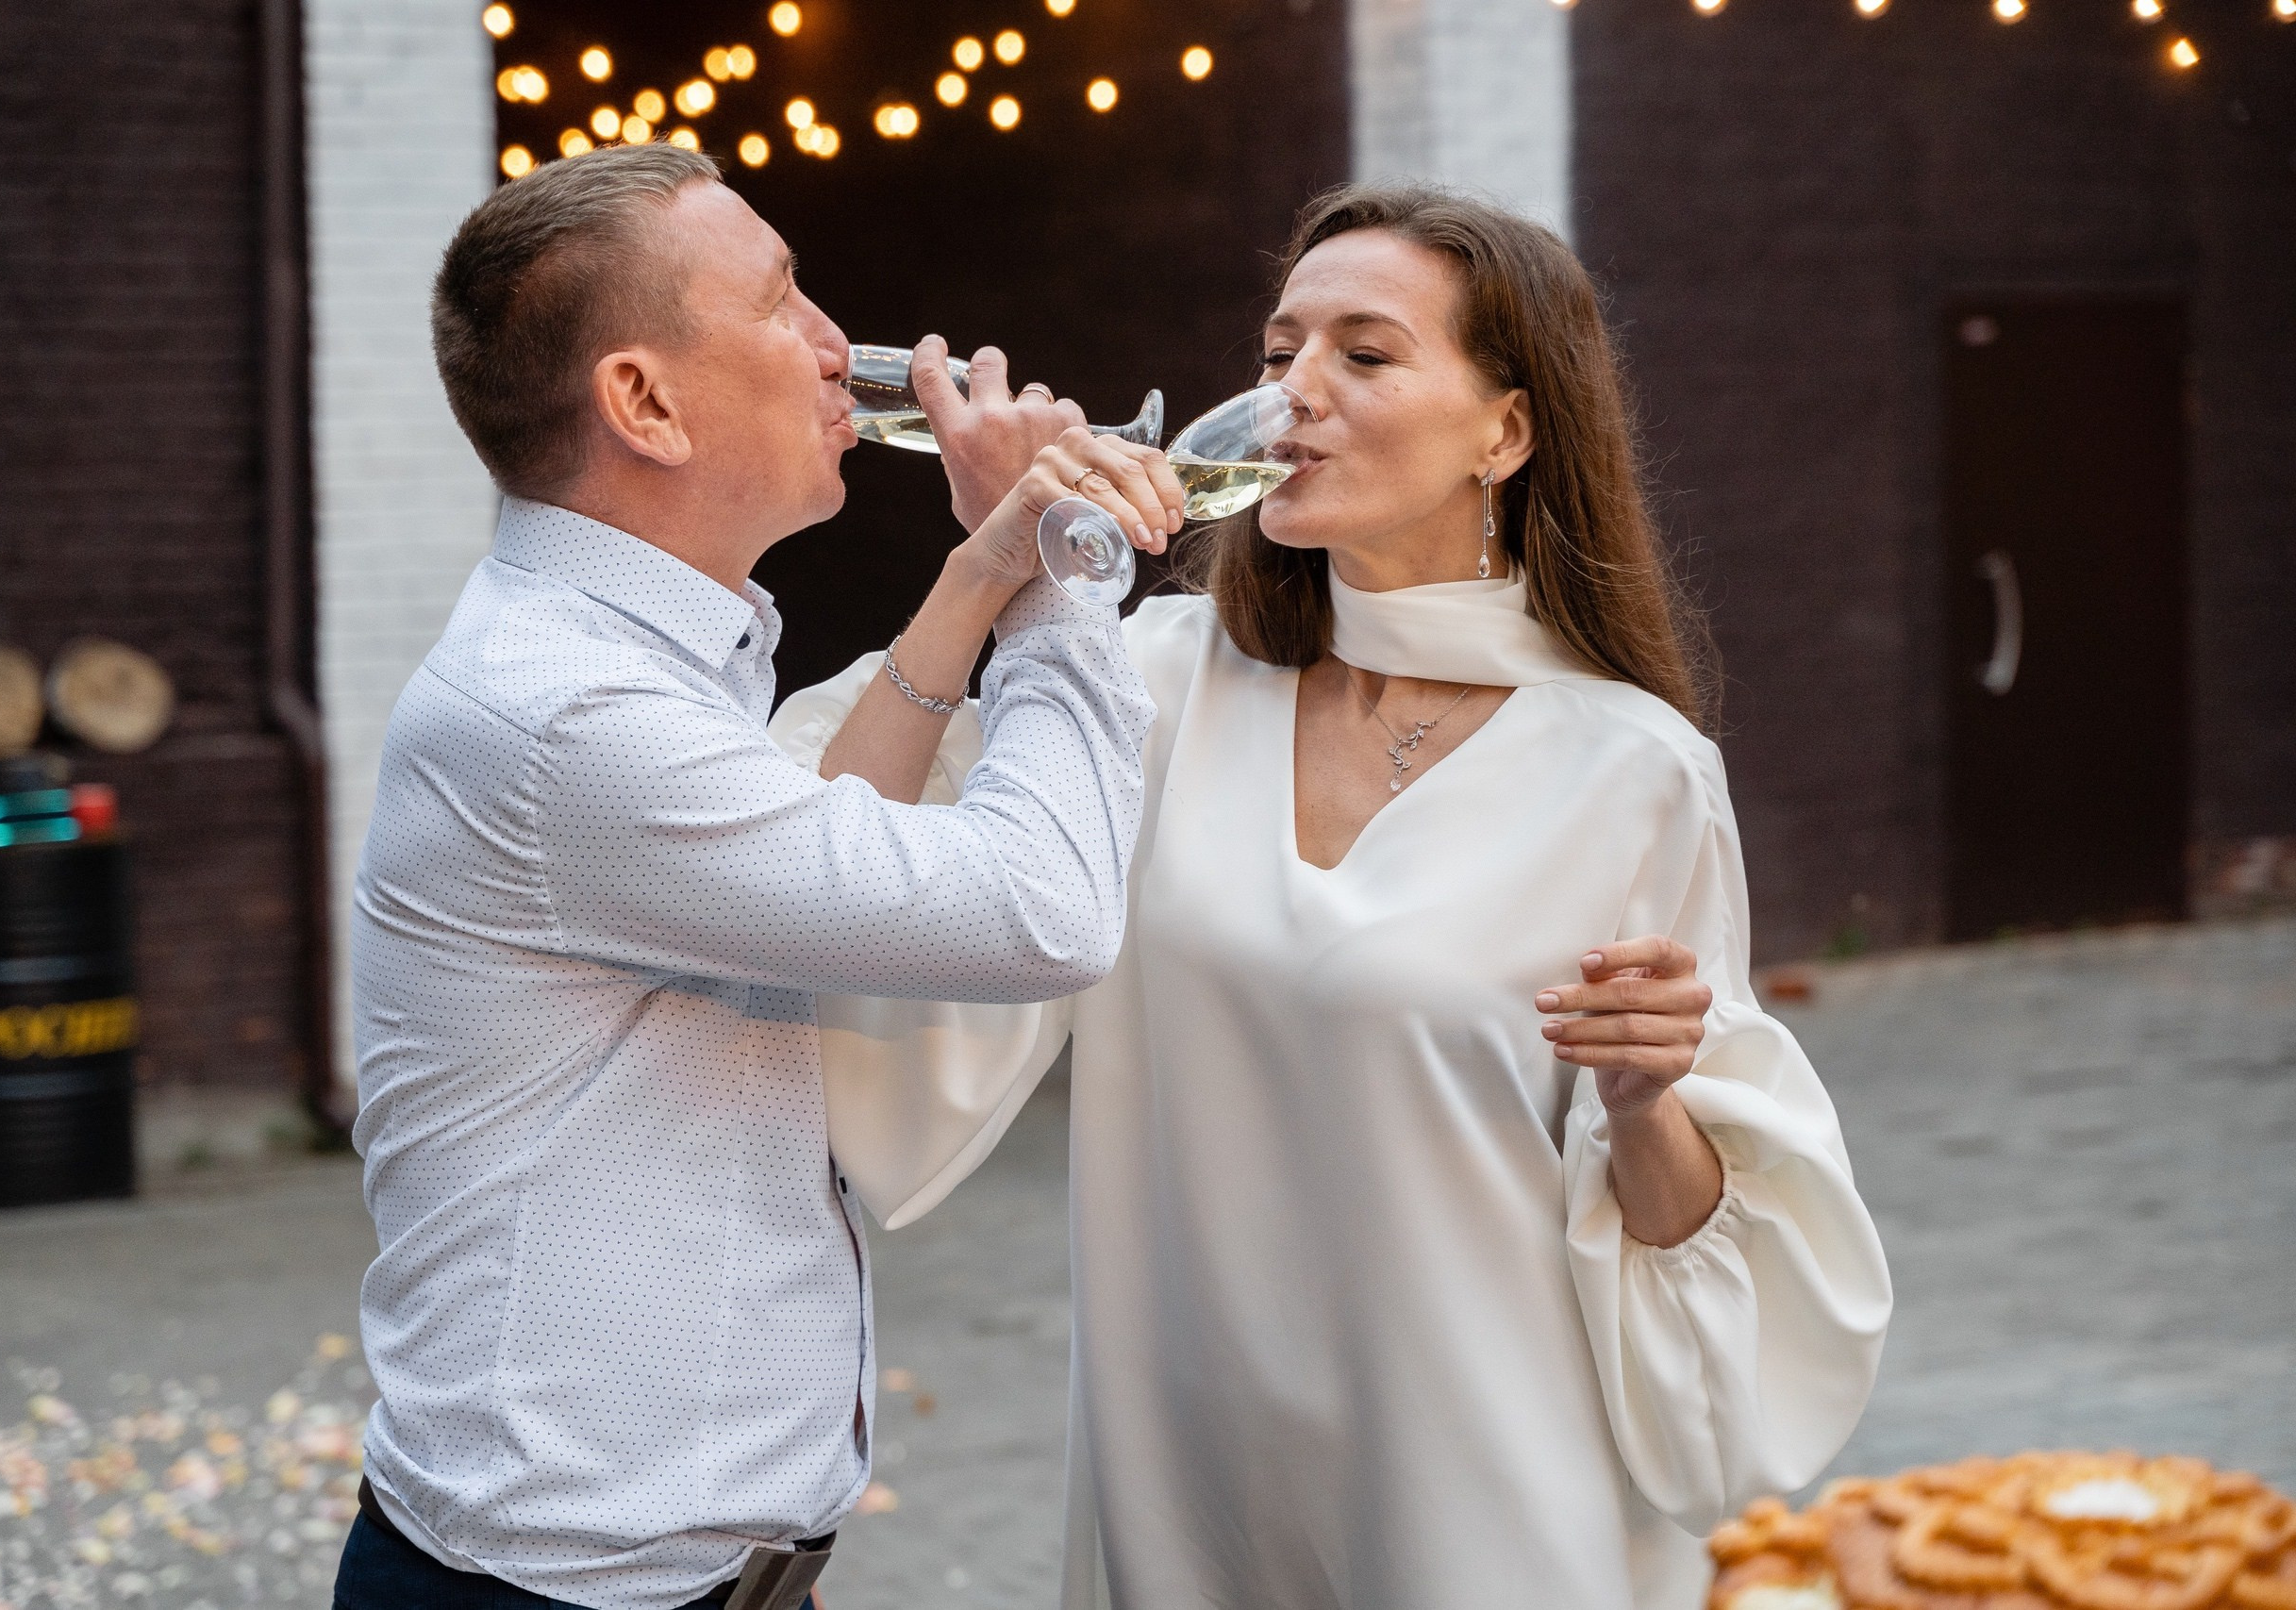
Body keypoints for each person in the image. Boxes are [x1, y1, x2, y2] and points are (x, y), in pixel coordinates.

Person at [774, 184, 1894, 1609]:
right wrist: (991, 569)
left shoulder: (1638, 770)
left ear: (1507, 427)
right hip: (1194, 1509)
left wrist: (1646, 1099)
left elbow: (1696, 1243)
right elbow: (843, 881)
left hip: (1493, 1519)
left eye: (1364, 356)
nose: (1294, 389)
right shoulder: (1153, 686)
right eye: (1278, 350)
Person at [337, 143, 1187, 1610]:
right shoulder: (569, 716)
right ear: (643, 403)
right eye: (784, 300)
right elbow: (1042, 911)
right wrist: (1067, 574)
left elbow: (807, 883)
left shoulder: (622, 653)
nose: (841, 351)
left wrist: (981, 573)